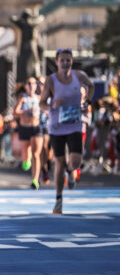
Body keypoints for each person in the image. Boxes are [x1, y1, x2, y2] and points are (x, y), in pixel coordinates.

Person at [40, 48, 93, 214]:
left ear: (72, 61)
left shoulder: (79, 76)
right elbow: (41, 103)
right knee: (60, 162)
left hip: (75, 124)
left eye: (68, 60)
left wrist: (87, 102)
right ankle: (58, 200)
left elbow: (90, 86)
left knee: (76, 160)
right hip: (57, 127)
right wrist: (51, 106)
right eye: (62, 60)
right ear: (56, 62)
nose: (65, 63)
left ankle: (71, 172)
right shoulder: (51, 80)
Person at [13, 77, 43, 189]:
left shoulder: (39, 98)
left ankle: (35, 179)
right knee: (25, 154)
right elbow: (14, 113)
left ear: (36, 86)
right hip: (24, 128)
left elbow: (46, 108)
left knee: (36, 154)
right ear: (25, 86)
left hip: (36, 128)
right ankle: (26, 159)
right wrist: (26, 111)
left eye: (33, 84)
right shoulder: (22, 98)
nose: (31, 86)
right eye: (29, 84)